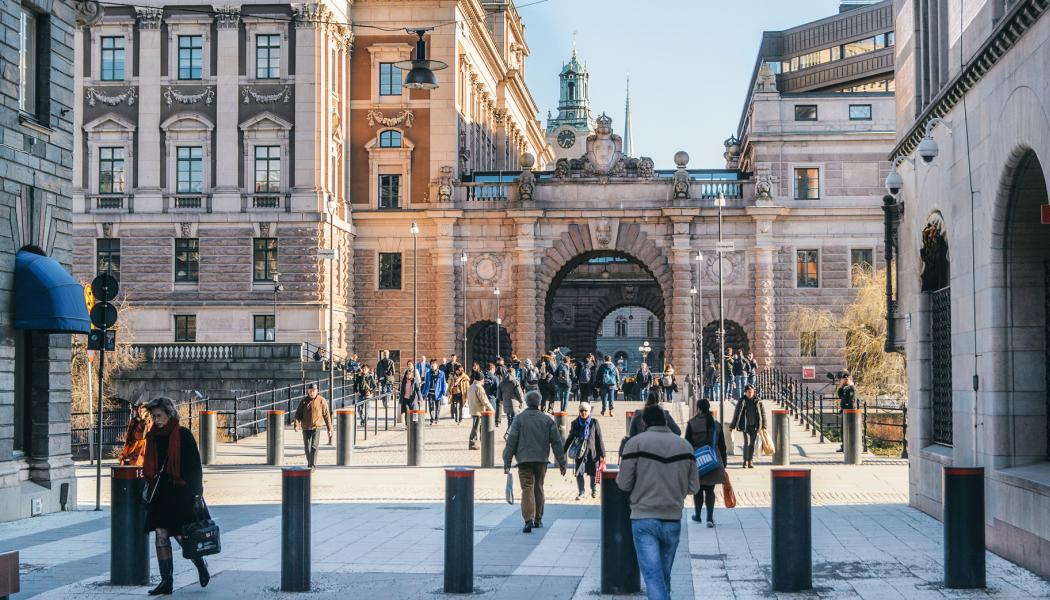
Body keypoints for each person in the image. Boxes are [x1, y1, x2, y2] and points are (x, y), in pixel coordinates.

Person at [617, 405, 700, 600]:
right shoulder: (685, 446)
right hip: (672, 517)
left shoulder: (635, 444)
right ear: (665, 421)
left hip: (644, 517)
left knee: (654, 578)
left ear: (644, 422)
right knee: (663, 576)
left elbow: (623, 483)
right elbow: (694, 487)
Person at [143, 397, 209, 595]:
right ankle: (167, 581)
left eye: (159, 416)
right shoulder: (153, 436)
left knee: (183, 536)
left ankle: (200, 563)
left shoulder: (183, 435)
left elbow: (195, 468)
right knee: (161, 534)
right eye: (154, 416)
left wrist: (197, 495)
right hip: (161, 493)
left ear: (169, 414)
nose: (156, 420)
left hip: (182, 492)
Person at [503, 391, 567, 533]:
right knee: (538, 487)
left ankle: (528, 520)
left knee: (527, 488)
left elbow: (511, 442)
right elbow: (557, 442)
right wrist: (562, 463)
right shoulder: (547, 420)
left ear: (526, 402)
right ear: (539, 403)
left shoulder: (519, 419)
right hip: (541, 460)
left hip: (524, 460)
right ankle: (538, 519)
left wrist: (507, 462)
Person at [684, 399, 728, 527]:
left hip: (697, 460)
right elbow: (723, 446)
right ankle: (709, 518)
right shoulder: (716, 425)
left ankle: (697, 515)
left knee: (698, 490)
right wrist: (723, 463)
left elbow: (687, 444)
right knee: (710, 490)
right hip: (713, 460)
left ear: (698, 408)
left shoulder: (692, 424)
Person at [563, 401, 605, 499]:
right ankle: (581, 492)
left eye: (585, 411)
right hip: (580, 453)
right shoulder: (575, 423)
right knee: (579, 473)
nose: (583, 413)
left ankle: (594, 490)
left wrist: (603, 454)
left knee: (593, 472)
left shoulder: (594, 422)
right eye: (581, 411)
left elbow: (599, 439)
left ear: (589, 411)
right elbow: (570, 438)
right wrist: (563, 451)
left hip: (592, 452)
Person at [293, 383, 333, 469]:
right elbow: (298, 414)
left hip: (316, 427)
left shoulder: (322, 400)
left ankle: (312, 466)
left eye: (313, 391)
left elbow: (327, 415)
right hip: (306, 427)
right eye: (310, 391)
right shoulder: (304, 401)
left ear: (317, 391)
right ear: (308, 391)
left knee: (314, 446)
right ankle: (310, 463)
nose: (312, 393)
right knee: (307, 447)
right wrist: (296, 425)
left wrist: (329, 429)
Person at [729, 384, 766, 468]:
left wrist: (764, 426)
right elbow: (737, 414)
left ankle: (750, 461)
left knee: (752, 444)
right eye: (749, 392)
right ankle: (745, 460)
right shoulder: (742, 401)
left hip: (755, 426)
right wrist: (732, 426)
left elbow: (763, 414)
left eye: (752, 392)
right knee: (747, 443)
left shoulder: (758, 400)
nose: (751, 393)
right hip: (745, 426)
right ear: (745, 392)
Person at [118, 400, 152, 466]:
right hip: (134, 446)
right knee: (133, 464)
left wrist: (143, 420)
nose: (141, 412)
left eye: (143, 411)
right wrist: (126, 445)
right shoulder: (134, 420)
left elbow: (145, 434)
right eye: (140, 411)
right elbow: (129, 434)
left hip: (145, 446)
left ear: (147, 412)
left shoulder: (149, 420)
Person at [467, 371, 494, 450]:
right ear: (481, 379)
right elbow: (484, 401)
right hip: (478, 410)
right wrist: (492, 409)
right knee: (476, 427)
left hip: (473, 409)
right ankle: (472, 443)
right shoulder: (479, 387)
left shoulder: (471, 386)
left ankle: (484, 441)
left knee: (480, 426)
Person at [422, 359, 447, 425]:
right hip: (430, 392)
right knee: (431, 406)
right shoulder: (428, 373)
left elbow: (443, 383)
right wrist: (423, 393)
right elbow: (426, 383)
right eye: (431, 364)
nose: (432, 365)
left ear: (437, 365)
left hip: (438, 392)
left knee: (437, 407)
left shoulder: (441, 373)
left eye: (434, 364)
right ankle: (432, 418)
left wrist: (444, 392)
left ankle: (437, 418)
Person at [836, 372, 857, 452]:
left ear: (849, 379)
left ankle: (848, 447)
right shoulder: (845, 388)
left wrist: (846, 410)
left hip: (849, 412)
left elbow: (851, 401)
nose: (845, 380)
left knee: (848, 430)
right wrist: (841, 386)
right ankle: (844, 446)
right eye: (844, 379)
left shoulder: (851, 388)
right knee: (843, 430)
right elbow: (840, 395)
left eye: (846, 379)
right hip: (845, 412)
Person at [398, 360, 423, 425]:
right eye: (408, 364)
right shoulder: (404, 380)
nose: (408, 375)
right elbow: (402, 389)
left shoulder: (415, 375)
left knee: (414, 411)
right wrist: (400, 399)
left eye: (410, 364)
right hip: (405, 398)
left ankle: (414, 424)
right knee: (407, 411)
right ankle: (407, 424)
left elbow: (418, 388)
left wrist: (420, 398)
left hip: (413, 397)